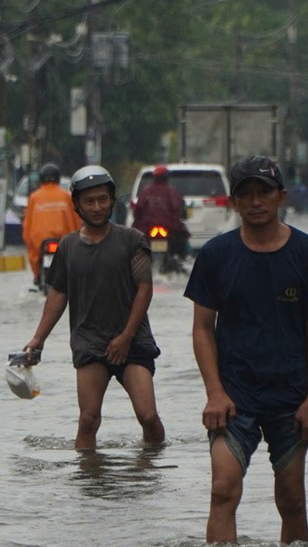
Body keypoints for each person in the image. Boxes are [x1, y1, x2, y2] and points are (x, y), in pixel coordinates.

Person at [184, 155, 308, 544]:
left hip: (291, 397)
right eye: (246, 194)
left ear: (281, 196)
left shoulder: (306, 254)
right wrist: (214, 393)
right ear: (233, 202)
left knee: (292, 501)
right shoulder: (216, 255)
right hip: (233, 397)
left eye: (264, 192)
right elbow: (202, 328)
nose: (255, 202)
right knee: (222, 489)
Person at [23, 165, 166, 451]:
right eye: (89, 201)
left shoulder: (132, 240)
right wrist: (38, 340)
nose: (97, 207)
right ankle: (87, 480)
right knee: (88, 420)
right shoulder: (67, 247)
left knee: (148, 416)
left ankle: (151, 469)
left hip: (133, 341)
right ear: (76, 204)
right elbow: (58, 295)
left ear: (112, 200)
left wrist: (125, 337)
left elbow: (144, 289)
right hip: (89, 342)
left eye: (103, 199)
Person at [22, 163, 80, 290]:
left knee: (33, 252)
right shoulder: (66, 196)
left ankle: (37, 276)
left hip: (40, 240)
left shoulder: (34, 197)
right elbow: (76, 220)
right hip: (64, 239)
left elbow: (28, 224)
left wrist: (28, 240)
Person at [131, 164, 189, 259]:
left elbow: (138, 210)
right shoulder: (173, 193)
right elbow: (180, 210)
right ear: (167, 178)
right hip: (169, 228)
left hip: (148, 228)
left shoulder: (146, 192)